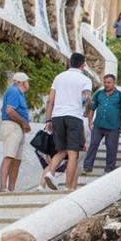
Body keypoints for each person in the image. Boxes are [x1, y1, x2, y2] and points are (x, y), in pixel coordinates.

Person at [42, 52, 93, 191]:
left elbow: (50, 100)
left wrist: (48, 119)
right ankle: (68, 187)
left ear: (70, 63)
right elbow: (87, 98)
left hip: (57, 116)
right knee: (72, 154)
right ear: (83, 65)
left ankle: (50, 173)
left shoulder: (59, 77)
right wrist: (88, 110)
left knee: (61, 149)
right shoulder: (85, 80)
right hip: (74, 117)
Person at [82, 74, 121, 175]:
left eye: (108, 83)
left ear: (114, 83)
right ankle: (87, 166)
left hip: (113, 127)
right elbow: (92, 108)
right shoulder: (99, 94)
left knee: (111, 147)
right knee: (93, 144)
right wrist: (90, 122)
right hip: (98, 125)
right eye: (105, 82)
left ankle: (109, 168)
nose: (106, 84)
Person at [0, 72, 31, 192]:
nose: (28, 84)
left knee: (17, 160)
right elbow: (10, 111)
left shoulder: (20, 94)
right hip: (12, 126)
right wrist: (24, 122)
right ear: (21, 82)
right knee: (9, 156)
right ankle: (3, 187)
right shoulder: (14, 91)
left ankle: (11, 188)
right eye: (27, 81)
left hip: (19, 128)